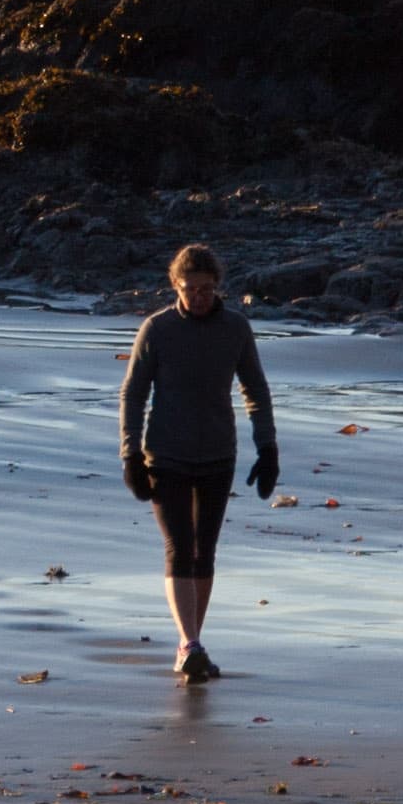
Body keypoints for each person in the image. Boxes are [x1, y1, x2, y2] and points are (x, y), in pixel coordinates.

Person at [120, 242, 278, 680]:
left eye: (207, 289)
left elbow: (256, 392)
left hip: (217, 454)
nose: (200, 297)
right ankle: (190, 642)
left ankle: (190, 644)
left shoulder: (236, 329)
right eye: (191, 289)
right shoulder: (157, 329)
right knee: (178, 548)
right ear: (176, 286)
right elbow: (133, 395)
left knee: (204, 551)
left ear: (218, 287)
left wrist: (268, 449)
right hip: (165, 454)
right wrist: (130, 453)